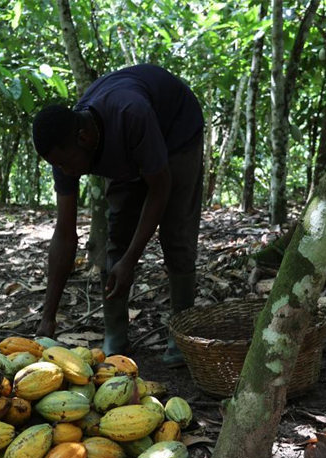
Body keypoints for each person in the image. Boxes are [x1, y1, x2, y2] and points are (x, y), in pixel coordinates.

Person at [32, 64, 204, 367]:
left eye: (66, 164)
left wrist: (132, 260)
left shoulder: (130, 112)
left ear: (85, 138)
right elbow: (65, 233)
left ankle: (182, 331)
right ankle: (116, 336)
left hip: (176, 132)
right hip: (126, 150)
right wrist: (48, 317)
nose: (65, 171)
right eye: (57, 165)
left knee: (176, 234)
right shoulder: (65, 150)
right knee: (119, 232)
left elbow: (160, 189)